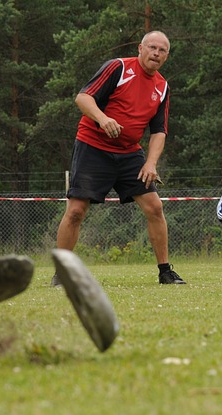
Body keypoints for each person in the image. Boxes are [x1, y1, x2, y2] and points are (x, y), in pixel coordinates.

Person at [52, 30, 186, 285]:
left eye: (162, 50)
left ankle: (165, 272)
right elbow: (83, 97)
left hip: (129, 153)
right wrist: (102, 119)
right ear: (140, 48)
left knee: (155, 208)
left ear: (167, 56)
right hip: (93, 147)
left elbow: (159, 131)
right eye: (152, 47)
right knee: (76, 211)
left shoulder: (162, 86)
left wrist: (151, 163)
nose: (156, 53)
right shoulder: (119, 68)